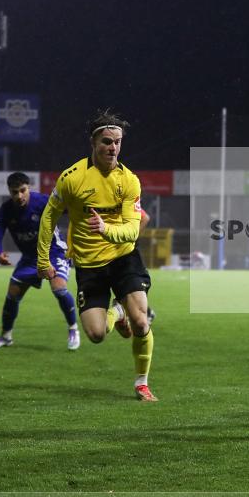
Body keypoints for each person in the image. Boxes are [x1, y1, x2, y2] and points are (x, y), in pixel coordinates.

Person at [36, 111, 157, 402]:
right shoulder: (72, 178)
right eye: (106, 141)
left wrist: (105, 229)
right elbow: (49, 216)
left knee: (141, 322)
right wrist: (43, 259)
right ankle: (117, 311)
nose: (113, 148)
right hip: (89, 265)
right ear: (93, 142)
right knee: (96, 334)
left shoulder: (129, 181)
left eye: (117, 142)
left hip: (123, 257)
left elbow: (131, 229)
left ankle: (142, 383)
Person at [0, 172, 79, 350]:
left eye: (22, 190)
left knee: (59, 288)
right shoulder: (6, 210)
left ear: (29, 188)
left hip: (54, 252)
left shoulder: (42, 201)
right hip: (30, 258)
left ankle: (73, 329)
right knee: (12, 293)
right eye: (15, 192)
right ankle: (6, 336)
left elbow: (69, 210)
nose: (19, 196)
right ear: (9, 192)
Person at [137, 206, 157, 324]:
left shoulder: (126, 198)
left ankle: (147, 313)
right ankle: (147, 312)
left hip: (128, 249)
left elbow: (145, 218)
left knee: (137, 283)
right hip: (115, 250)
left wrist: (133, 236)